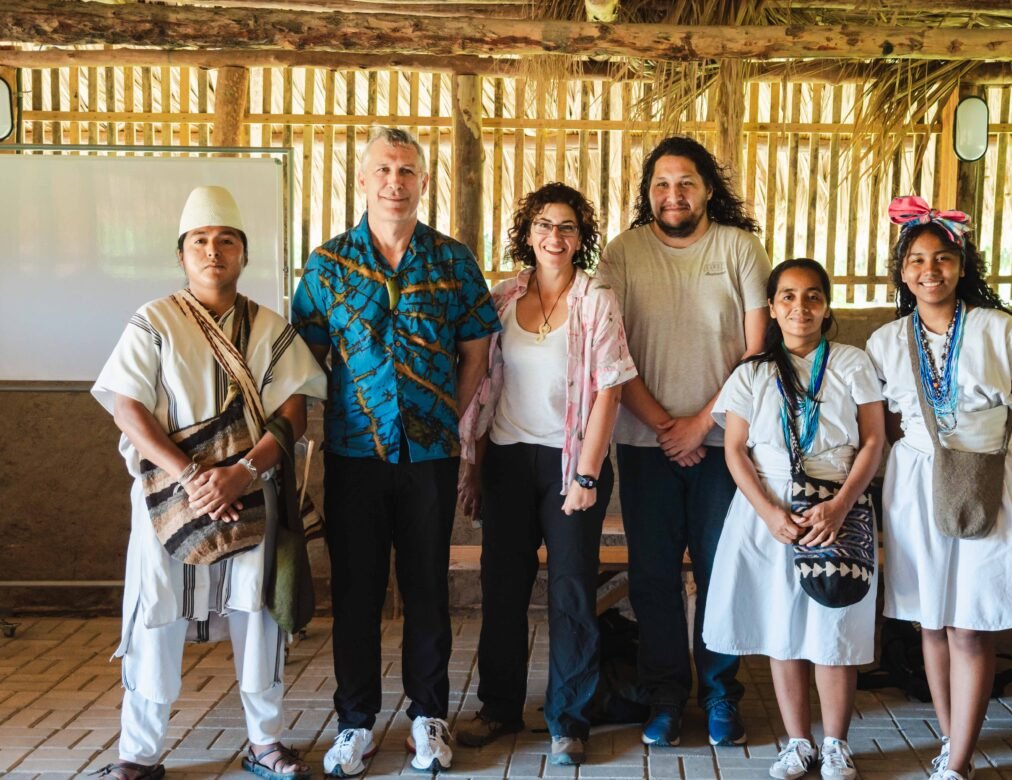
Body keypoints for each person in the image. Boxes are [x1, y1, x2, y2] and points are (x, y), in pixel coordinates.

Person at [91, 185, 327, 780]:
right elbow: (127, 408)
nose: (213, 251)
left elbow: (293, 413)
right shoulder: (153, 322)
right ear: (182, 254)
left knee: (258, 614)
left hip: (249, 491)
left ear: (244, 253)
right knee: (155, 613)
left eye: (226, 240)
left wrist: (241, 472)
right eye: (199, 241)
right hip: (168, 495)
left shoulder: (270, 327)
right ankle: (139, 754)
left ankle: (265, 744)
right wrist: (193, 477)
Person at [291, 127, 499, 776]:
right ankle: (355, 722)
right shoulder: (328, 265)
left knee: (427, 587)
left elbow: (476, 353)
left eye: (407, 171)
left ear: (423, 183)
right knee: (355, 591)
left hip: (430, 457)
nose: (394, 182)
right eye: (383, 169)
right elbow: (305, 361)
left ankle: (428, 717)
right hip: (353, 456)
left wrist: (444, 417)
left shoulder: (453, 261)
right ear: (362, 180)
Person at [865, 196, 1012, 780]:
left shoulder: (1000, 331)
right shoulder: (885, 342)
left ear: (962, 265)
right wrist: (932, 457)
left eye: (943, 258)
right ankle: (952, 744)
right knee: (930, 618)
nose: (931, 270)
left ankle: (960, 757)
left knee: (970, 621)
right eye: (917, 260)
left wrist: (993, 465)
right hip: (917, 483)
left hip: (988, 477)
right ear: (902, 272)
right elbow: (892, 425)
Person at [595, 136, 770, 747]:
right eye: (662, 185)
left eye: (686, 183)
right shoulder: (623, 252)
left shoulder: (739, 248)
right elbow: (610, 349)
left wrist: (702, 424)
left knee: (722, 570)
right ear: (648, 193)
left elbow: (757, 349)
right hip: (645, 445)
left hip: (726, 446)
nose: (674, 195)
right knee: (653, 576)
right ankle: (664, 696)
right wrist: (667, 427)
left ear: (708, 189)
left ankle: (720, 693)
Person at [455, 182, 637, 766]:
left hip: (570, 463)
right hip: (508, 459)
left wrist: (587, 476)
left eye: (566, 227)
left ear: (580, 239)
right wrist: (475, 466)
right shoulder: (503, 297)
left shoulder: (595, 300)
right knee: (502, 589)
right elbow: (485, 388)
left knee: (572, 593)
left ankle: (568, 720)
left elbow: (610, 390)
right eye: (543, 225)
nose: (554, 236)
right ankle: (499, 707)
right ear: (527, 234)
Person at [703, 259, 884, 779]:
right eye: (787, 296)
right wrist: (768, 512)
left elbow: (874, 439)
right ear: (772, 306)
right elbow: (735, 450)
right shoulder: (752, 372)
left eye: (811, 296)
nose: (799, 307)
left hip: (837, 505)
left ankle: (836, 745)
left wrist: (842, 504)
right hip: (770, 507)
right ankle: (799, 742)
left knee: (834, 623)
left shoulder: (852, 362)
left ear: (826, 306)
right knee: (781, 623)